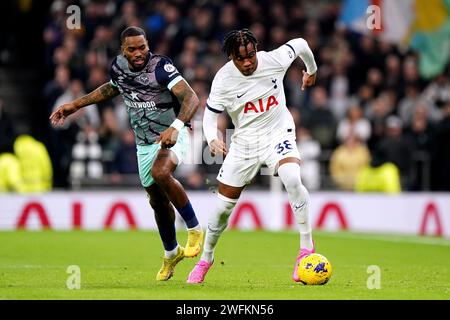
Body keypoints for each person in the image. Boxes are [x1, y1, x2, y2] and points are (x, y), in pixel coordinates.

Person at [50, 26, 203, 281]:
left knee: (161, 172)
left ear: (147, 45)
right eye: (132, 49)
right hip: (144, 143)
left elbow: (191, 97)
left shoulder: (160, 67)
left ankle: (195, 228)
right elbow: (110, 89)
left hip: (172, 133)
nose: (139, 53)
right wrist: (75, 105)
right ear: (124, 50)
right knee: (157, 201)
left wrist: (176, 127)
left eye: (142, 47)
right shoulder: (118, 68)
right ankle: (171, 253)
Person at [187, 29, 317, 283]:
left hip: (278, 133)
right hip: (245, 143)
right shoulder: (223, 80)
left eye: (250, 55)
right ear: (231, 58)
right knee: (223, 208)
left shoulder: (273, 60)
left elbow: (301, 43)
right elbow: (210, 115)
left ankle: (306, 249)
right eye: (240, 58)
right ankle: (206, 258)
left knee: (292, 177)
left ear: (256, 50)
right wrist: (212, 137)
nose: (247, 62)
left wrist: (311, 71)